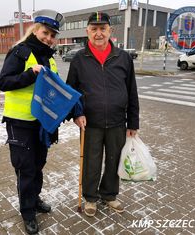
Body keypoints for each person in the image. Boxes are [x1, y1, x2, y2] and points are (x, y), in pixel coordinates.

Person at [0, 9, 64, 234]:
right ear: (35, 29)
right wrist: (30, 75)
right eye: (46, 32)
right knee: (25, 169)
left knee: (37, 166)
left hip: (42, 123)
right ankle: (27, 212)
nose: (49, 38)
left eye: (53, 35)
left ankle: (33, 199)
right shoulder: (20, 52)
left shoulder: (49, 56)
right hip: (20, 123)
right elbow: (3, 82)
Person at [66, 12, 139, 217]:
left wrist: (133, 122)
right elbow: (71, 91)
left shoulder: (123, 58)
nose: (99, 33)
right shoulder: (79, 59)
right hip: (90, 123)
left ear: (110, 31)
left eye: (103, 28)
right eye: (94, 29)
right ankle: (90, 197)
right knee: (91, 161)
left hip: (117, 122)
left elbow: (132, 91)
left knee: (114, 160)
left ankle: (109, 195)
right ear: (87, 31)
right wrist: (76, 114)